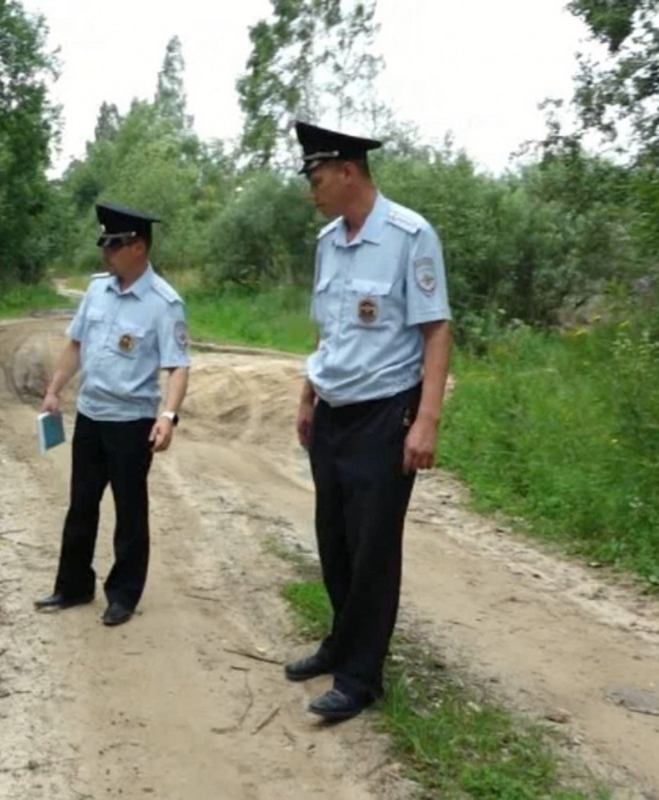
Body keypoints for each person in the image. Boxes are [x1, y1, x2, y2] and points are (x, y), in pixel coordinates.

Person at [284, 120, 453, 721]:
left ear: (348, 171)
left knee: (374, 547)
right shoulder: (329, 241)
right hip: (332, 413)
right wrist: (308, 397)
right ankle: (340, 642)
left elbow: (436, 330)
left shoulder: (410, 235)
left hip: (386, 414)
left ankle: (362, 677)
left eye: (318, 176)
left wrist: (426, 418)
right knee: (334, 539)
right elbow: (328, 332)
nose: (313, 188)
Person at [34, 202, 192, 627]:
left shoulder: (164, 303)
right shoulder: (97, 290)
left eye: (114, 244)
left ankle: (122, 595)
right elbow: (76, 346)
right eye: (104, 243)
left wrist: (168, 416)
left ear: (138, 247)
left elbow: (178, 365)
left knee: (129, 511)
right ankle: (72, 586)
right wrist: (54, 391)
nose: (106, 251)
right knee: (81, 504)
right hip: (91, 415)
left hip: (131, 423)